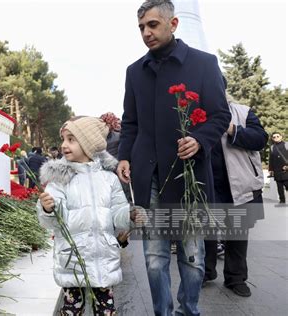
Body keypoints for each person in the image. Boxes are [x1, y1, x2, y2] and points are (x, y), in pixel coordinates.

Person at [116, 1, 231, 315]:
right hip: (148, 176)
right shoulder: (134, 71)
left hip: (189, 176)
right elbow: (130, 122)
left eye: (152, 25)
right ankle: (162, 312)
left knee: (191, 256)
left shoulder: (205, 64)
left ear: (174, 23)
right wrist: (124, 156)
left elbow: (220, 115)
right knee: (154, 258)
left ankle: (188, 310)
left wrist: (199, 139)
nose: (146, 33)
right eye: (141, 27)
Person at [37, 116, 145, 315]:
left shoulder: (109, 179)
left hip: (103, 258)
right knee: (71, 310)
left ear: (89, 144)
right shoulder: (59, 180)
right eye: (63, 139)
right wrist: (48, 209)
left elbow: (117, 211)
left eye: (71, 139)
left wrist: (128, 215)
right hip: (73, 258)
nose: (63, 145)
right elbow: (52, 221)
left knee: (106, 310)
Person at [204, 88, 268, 297]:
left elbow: (260, 139)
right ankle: (206, 272)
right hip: (207, 184)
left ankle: (235, 278)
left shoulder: (242, 112)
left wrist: (232, 129)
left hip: (238, 185)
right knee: (206, 233)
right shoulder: (193, 114)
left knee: (238, 233)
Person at [268, 132, 288, 204]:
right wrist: (271, 170)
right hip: (277, 171)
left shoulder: (286, 144)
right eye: (274, 137)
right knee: (279, 188)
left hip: (286, 170)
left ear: (281, 137)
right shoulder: (272, 147)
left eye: (277, 136)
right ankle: (282, 202)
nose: (276, 138)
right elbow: (271, 159)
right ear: (272, 139)